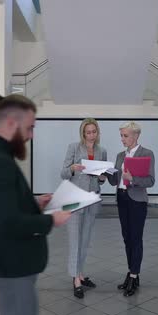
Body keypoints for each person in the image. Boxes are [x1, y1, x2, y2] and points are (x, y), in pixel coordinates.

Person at [0, 93, 71, 315]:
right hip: (8, 260)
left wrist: (33, 204)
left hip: (8, 259)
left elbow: (3, 205)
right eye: (30, 128)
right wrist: (51, 220)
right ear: (10, 124)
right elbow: (7, 223)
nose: (31, 135)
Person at [60, 118, 107, 299]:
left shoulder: (101, 151)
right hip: (74, 198)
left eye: (94, 132)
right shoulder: (73, 147)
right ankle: (76, 279)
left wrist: (102, 178)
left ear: (97, 132)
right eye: (88, 132)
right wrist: (72, 168)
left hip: (92, 198)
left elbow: (101, 179)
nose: (91, 135)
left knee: (85, 240)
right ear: (83, 133)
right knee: (74, 240)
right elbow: (63, 173)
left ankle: (79, 273)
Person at [107, 121, 155, 297]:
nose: (122, 139)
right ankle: (131, 271)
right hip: (121, 198)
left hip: (137, 201)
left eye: (125, 136)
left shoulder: (147, 153)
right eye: (121, 135)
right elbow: (115, 180)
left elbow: (150, 181)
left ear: (136, 136)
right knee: (127, 238)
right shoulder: (120, 155)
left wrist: (132, 178)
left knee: (136, 238)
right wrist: (105, 174)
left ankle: (134, 276)